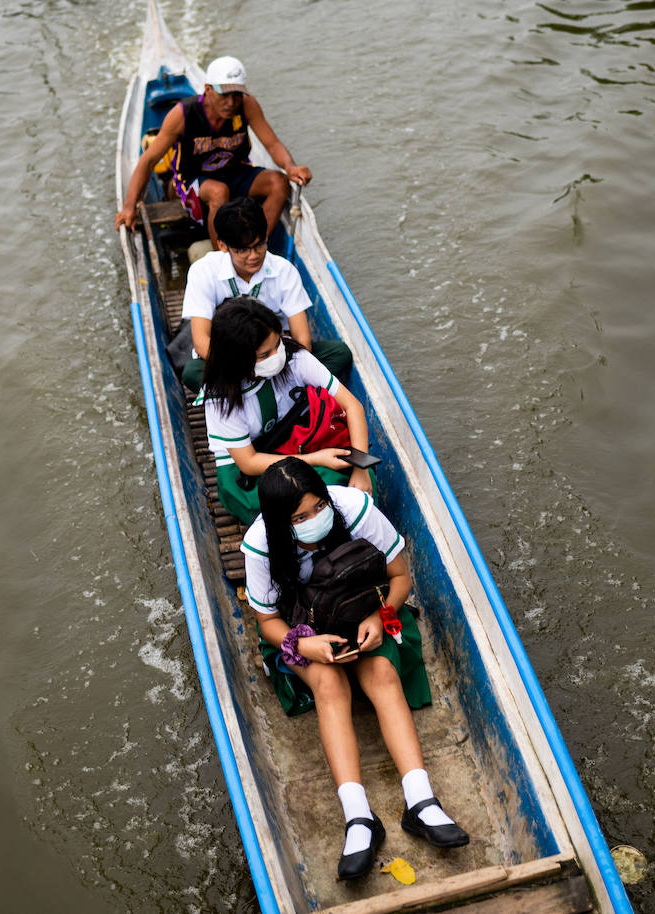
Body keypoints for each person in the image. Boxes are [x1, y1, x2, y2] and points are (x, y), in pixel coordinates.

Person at [243, 457, 470, 880]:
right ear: (279, 524)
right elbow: (268, 622)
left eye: (318, 508)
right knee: (329, 685)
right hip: (304, 631)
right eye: (299, 518)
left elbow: (399, 576)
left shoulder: (357, 510)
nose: (313, 520)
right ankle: (359, 817)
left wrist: (380, 616)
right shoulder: (260, 546)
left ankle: (421, 802)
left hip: (364, 614)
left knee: (382, 676)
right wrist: (307, 645)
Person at [198, 297, 370, 526]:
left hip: (294, 440)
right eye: (264, 355)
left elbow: (352, 406)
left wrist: (362, 468)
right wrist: (313, 460)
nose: (277, 355)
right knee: (309, 491)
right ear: (237, 359)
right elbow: (248, 462)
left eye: (277, 344)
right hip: (248, 473)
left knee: (353, 477)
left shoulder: (294, 357)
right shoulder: (222, 398)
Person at [115, 56, 311, 245]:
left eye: (236, 95)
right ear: (208, 90)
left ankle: (256, 246)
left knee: (278, 182)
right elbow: (148, 161)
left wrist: (290, 167)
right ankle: (224, 260)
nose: (231, 103)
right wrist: (129, 207)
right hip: (192, 179)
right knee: (219, 192)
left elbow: (272, 144)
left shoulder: (247, 105)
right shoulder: (183, 114)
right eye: (224, 95)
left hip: (235, 172)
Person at [177, 197, 352, 390]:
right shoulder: (204, 271)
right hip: (232, 362)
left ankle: (259, 393)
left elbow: (302, 340)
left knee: (339, 353)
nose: (253, 256)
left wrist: (273, 366)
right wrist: (247, 370)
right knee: (193, 372)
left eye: (259, 245)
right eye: (243, 250)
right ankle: (288, 395)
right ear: (222, 246)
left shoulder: (284, 270)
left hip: (276, 356)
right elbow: (202, 342)